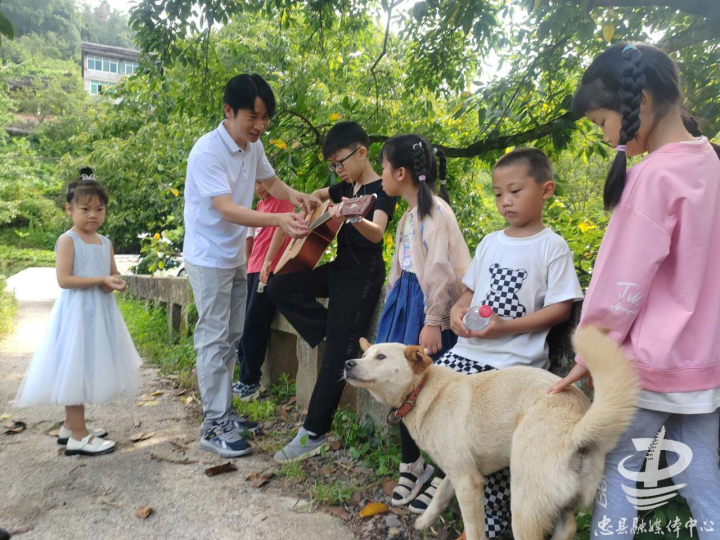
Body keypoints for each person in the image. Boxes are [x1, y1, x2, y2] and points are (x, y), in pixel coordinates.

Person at [548, 43, 720, 538]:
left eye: (602, 121)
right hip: (703, 368)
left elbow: (623, 279)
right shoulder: (712, 165)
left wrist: (591, 349)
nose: (604, 136)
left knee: (620, 480)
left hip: (646, 369)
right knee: (703, 479)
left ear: (639, 102)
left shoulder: (652, 177)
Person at [410, 148, 584, 538]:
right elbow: (469, 293)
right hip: (466, 354)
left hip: (511, 363)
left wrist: (507, 328)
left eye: (515, 191)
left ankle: (499, 526)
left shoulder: (551, 246)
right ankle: (445, 496)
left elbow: (560, 309)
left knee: (500, 455)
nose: (505, 201)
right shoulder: (490, 242)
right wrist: (456, 311)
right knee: (434, 419)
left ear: (546, 190)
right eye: (498, 193)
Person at [183, 73, 318, 457]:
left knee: (233, 334)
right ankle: (213, 424)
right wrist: (277, 219)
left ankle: (223, 412)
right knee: (213, 335)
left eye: (265, 119)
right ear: (229, 111)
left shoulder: (251, 146)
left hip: (233, 256)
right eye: (252, 117)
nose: (260, 126)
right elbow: (225, 209)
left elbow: (272, 184)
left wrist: (297, 196)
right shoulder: (208, 151)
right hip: (208, 256)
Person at [268, 121, 396, 462]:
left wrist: (352, 216)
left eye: (340, 162)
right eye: (333, 165)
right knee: (281, 284)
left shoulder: (382, 189)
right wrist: (312, 202)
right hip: (339, 269)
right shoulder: (344, 187)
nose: (338, 169)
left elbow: (378, 232)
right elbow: (321, 197)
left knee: (339, 355)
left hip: (364, 275)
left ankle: (313, 433)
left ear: (362, 152)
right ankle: (332, 333)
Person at [13, 168, 142, 456]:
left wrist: (113, 283)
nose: (93, 215)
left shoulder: (105, 242)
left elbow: (110, 273)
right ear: (70, 209)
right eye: (85, 209)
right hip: (76, 316)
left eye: (100, 209)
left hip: (100, 313)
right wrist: (100, 281)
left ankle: (71, 427)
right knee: (76, 368)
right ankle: (79, 436)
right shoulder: (68, 240)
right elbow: (64, 280)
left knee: (87, 366)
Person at [375, 134, 471, 507]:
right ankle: (411, 463)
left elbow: (442, 273)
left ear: (400, 173)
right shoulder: (408, 218)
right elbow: (400, 270)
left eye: (383, 168)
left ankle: (444, 469)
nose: (382, 174)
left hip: (426, 309)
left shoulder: (437, 213)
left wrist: (433, 321)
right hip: (404, 305)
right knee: (397, 385)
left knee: (426, 388)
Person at [232, 179, 292, 401]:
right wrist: (250, 268)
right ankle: (244, 378)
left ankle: (250, 382)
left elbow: (282, 231)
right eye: (254, 183)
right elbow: (253, 241)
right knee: (247, 324)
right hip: (253, 269)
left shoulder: (282, 201)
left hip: (270, 269)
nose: (258, 187)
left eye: (261, 182)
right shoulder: (260, 206)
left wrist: (268, 262)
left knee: (254, 326)